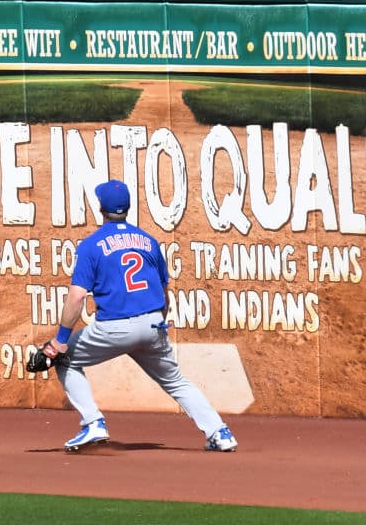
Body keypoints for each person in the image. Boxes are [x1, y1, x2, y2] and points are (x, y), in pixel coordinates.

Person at [42, 179, 239, 452]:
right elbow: (164, 293)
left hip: (114, 328)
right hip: (152, 324)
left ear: (100, 208)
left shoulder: (91, 245)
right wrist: (158, 327)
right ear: (128, 208)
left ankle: (93, 422)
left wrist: (60, 340)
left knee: (64, 359)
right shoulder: (148, 241)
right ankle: (220, 433)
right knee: (175, 380)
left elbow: (76, 297)